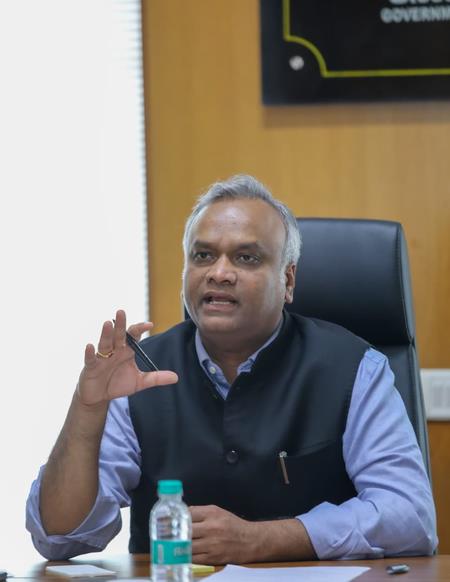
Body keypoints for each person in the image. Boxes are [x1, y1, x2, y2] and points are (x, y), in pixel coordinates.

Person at [26, 174, 437, 563]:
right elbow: (60, 537)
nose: (219, 273)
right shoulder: (141, 372)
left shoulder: (354, 369)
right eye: (203, 255)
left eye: (246, 258)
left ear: (288, 281)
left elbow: (410, 516)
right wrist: (86, 410)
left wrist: (264, 540)